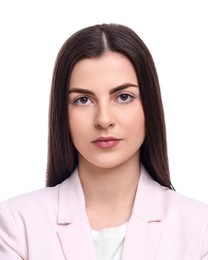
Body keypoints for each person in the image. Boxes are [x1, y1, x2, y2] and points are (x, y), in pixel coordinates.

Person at [0, 23, 208, 260]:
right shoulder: (15, 224)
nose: (104, 120)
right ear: (62, 114)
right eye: (83, 100)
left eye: (124, 97)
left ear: (149, 107)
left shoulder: (200, 229)